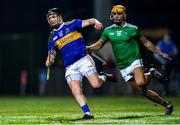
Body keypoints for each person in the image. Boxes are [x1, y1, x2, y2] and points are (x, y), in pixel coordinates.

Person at [87, 5, 174, 115]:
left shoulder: (133, 29)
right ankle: (167, 105)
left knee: (141, 82)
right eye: (114, 14)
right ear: (111, 15)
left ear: (124, 15)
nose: (117, 16)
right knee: (143, 90)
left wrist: (160, 53)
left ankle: (151, 73)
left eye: (119, 14)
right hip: (122, 66)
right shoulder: (108, 31)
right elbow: (99, 44)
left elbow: (146, 43)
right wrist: (89, 48)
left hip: (134, 61)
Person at [45, 8, 115, 119]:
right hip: (70, 66)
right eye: (50, 18)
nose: (52, 20)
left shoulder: (72, 24)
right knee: (75, 90)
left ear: (60, 17)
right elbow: (52, 55)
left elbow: (90, 21)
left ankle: (104, 77)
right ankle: (88, 113)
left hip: (83, 59)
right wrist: (49, 61)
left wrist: (96, 22)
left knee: (96, 85)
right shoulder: (51, 38)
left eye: (54, 17)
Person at [154, 31, 178, 96]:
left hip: (171, 63)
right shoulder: (161, 43)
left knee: (171, 78)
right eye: (167, 35)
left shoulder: (172, 42)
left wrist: (172, 55)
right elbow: (155, 54)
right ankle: (164, 91)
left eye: (169, 35)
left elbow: (175, 52)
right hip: (164, 64)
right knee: (164, 77)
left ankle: (168, 91)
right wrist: (162, 60)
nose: (168, 37)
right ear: (164, 36)